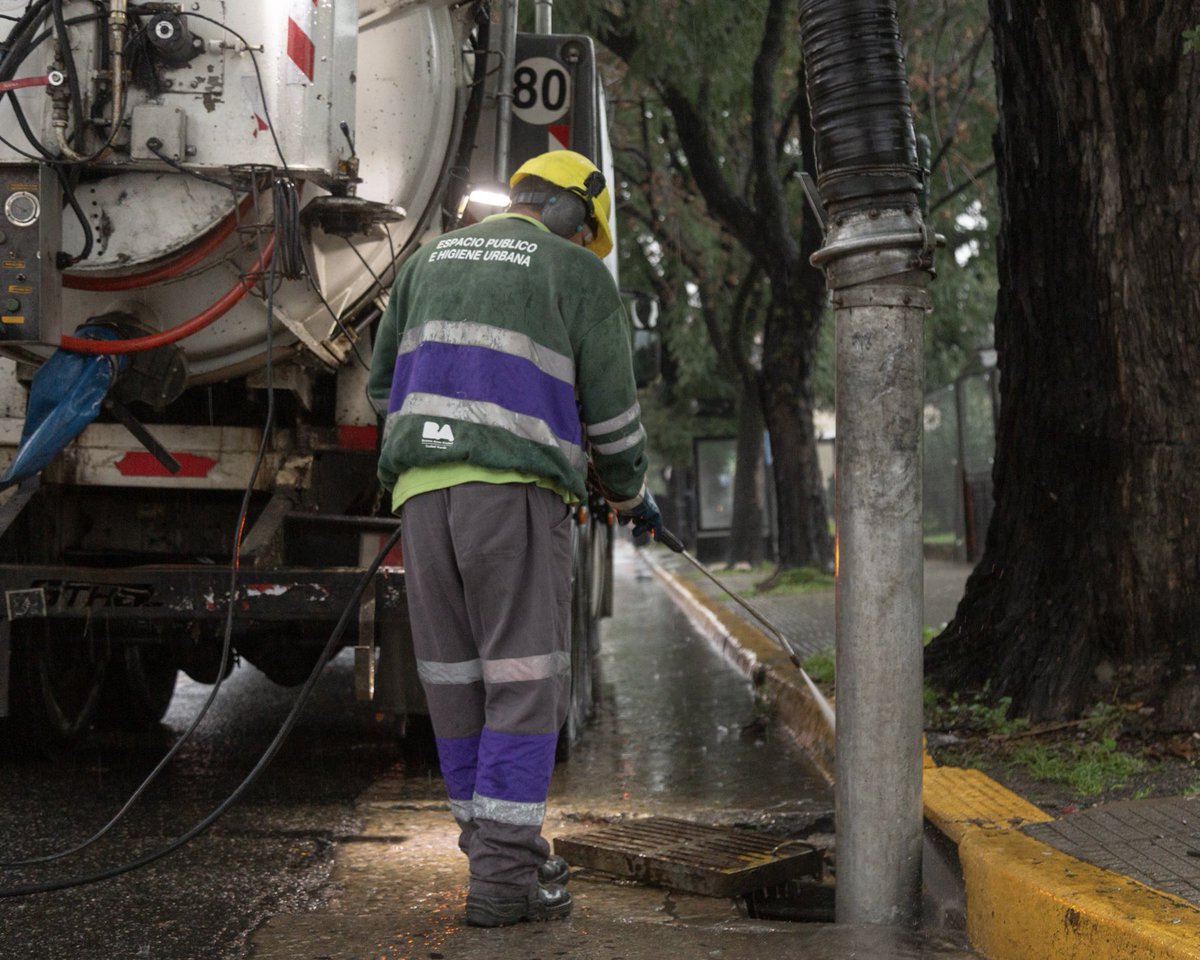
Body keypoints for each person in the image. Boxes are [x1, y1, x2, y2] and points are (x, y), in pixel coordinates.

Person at [368, 150, 665, 927]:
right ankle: (504, 881)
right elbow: (612, 416)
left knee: (455, 682)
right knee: (526, 681)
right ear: (571, 210)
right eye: (587, 230)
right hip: (513, 500)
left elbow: (381, 387)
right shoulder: (576, 272)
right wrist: (629, 494)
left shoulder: (426, 261)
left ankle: (496, 857)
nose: (584, 243)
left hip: (420, 498)